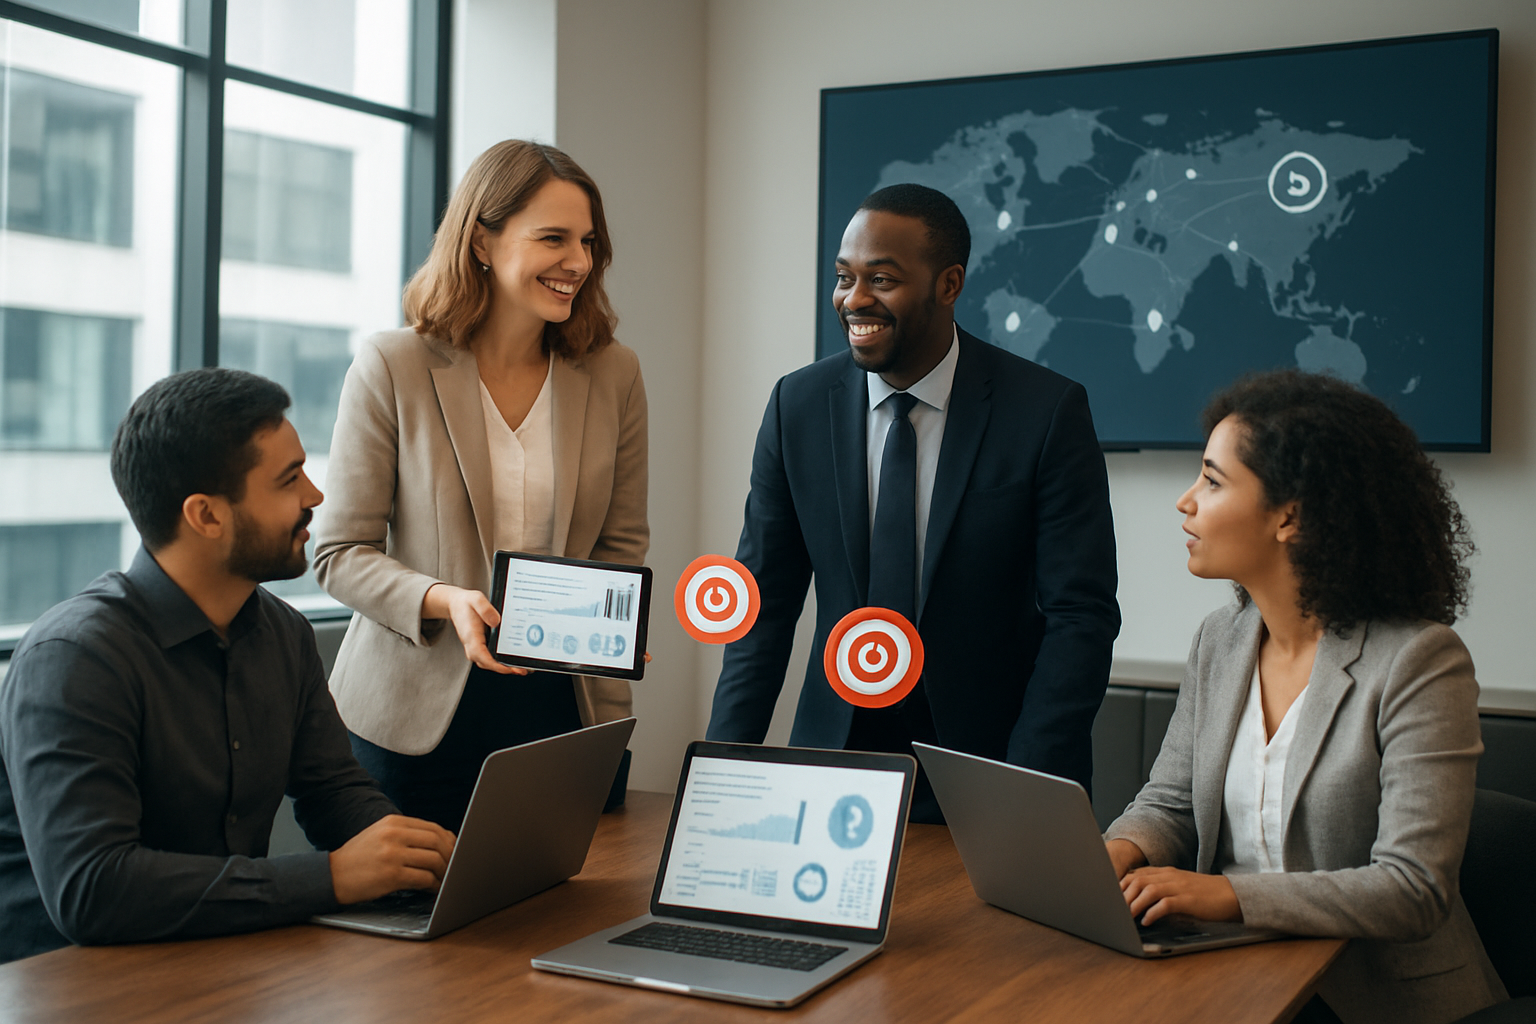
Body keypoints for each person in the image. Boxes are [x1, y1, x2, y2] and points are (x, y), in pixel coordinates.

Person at [0, 368, 455, 965]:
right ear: (206, 516)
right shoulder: (74, 658)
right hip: (70, 981)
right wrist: (333, 877)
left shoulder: (282, 632)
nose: (315, 496)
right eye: (289, 479)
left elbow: (331, 790)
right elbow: (93, 889)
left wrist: (417, 859)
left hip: (220, 957)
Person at [705, 183, 1120, 822]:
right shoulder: (797, 406)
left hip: (990, 766)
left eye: (882, 279)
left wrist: (1024, 783)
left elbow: (1080, 616)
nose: (854, 299)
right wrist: (719, 775)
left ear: (948, 284)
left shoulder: (1045, 411)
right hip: (833, 762)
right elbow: (762, 605)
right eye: (844, 277)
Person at [1104, 370, 1506, 1024]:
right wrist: (1115, 854)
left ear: (1289, 515)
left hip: (1380, 1002)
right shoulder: (1220, 640)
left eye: (1212, 481)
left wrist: (1225, 895)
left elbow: (1413, 889)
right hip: (1230, 975)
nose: (1186, 501)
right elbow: (1171, 803)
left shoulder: (1419, 661)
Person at [315, 140, 647, 833]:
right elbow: (339, 553)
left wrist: (612, 638)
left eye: (587, 242)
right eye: (553, 238)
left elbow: (619, 547)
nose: (579, 262)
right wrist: (444, 599)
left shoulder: (614, 373)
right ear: (481, 242)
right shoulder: (393, 364)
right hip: (413, 717)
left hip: (562, 709)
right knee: (415, 905)